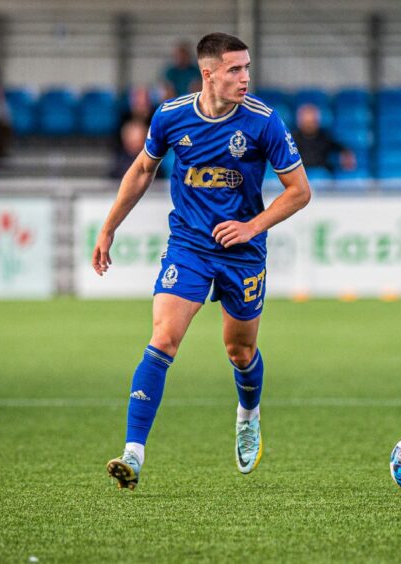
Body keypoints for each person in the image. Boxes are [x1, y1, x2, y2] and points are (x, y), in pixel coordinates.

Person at [92, 33, 310, 490]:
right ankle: (133, 452)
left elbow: (299, 191)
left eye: (247, 68)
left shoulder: (264, 122)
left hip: (244, 252)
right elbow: (141, 171)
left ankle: (248, 413)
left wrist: (252, 227)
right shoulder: (171, 116)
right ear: (208, 73)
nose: (245, 77)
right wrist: (110, 226)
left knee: (240, 350)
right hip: (189, 246)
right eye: (235, 69)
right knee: (163, 338)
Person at [291, 103, 355, 173]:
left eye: (312, 122)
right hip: (301, 175)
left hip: (324, 177)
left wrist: (346, 154)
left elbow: (341, 148)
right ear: (300, 122)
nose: (309, 125)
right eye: (307, 122)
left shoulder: (325, 137)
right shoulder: (291, 140)